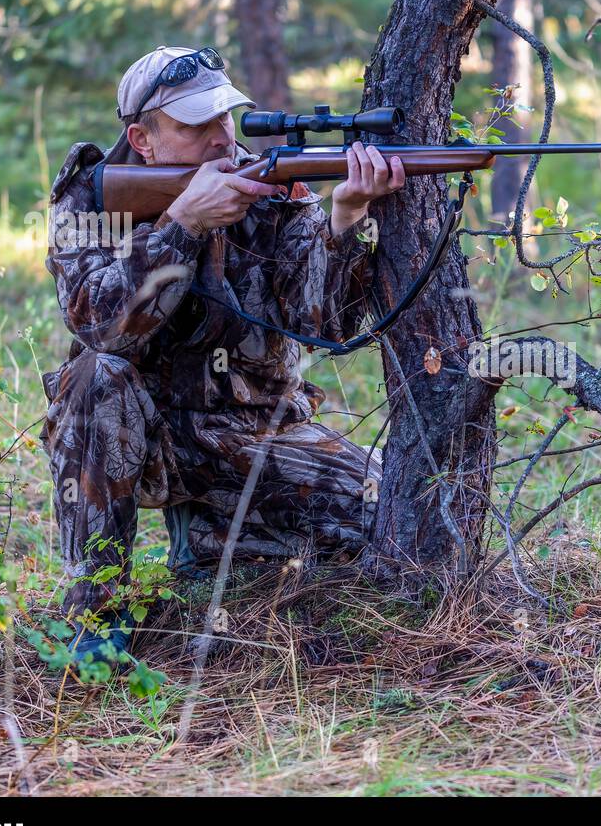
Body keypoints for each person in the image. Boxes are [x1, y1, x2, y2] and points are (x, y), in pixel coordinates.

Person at [40, 45, 404, 666]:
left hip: (253, 430)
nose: (219, 139)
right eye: (194, 125)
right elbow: (103, 328)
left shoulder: (275, 188)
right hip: (140, 435)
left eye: (225, 119)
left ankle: (210, 542)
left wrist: (345, 220)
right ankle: (98, 614)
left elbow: (328, 325)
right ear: (143, 139)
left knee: (386, 514)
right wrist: (182, 225)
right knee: (95, 377)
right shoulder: (93, 200)